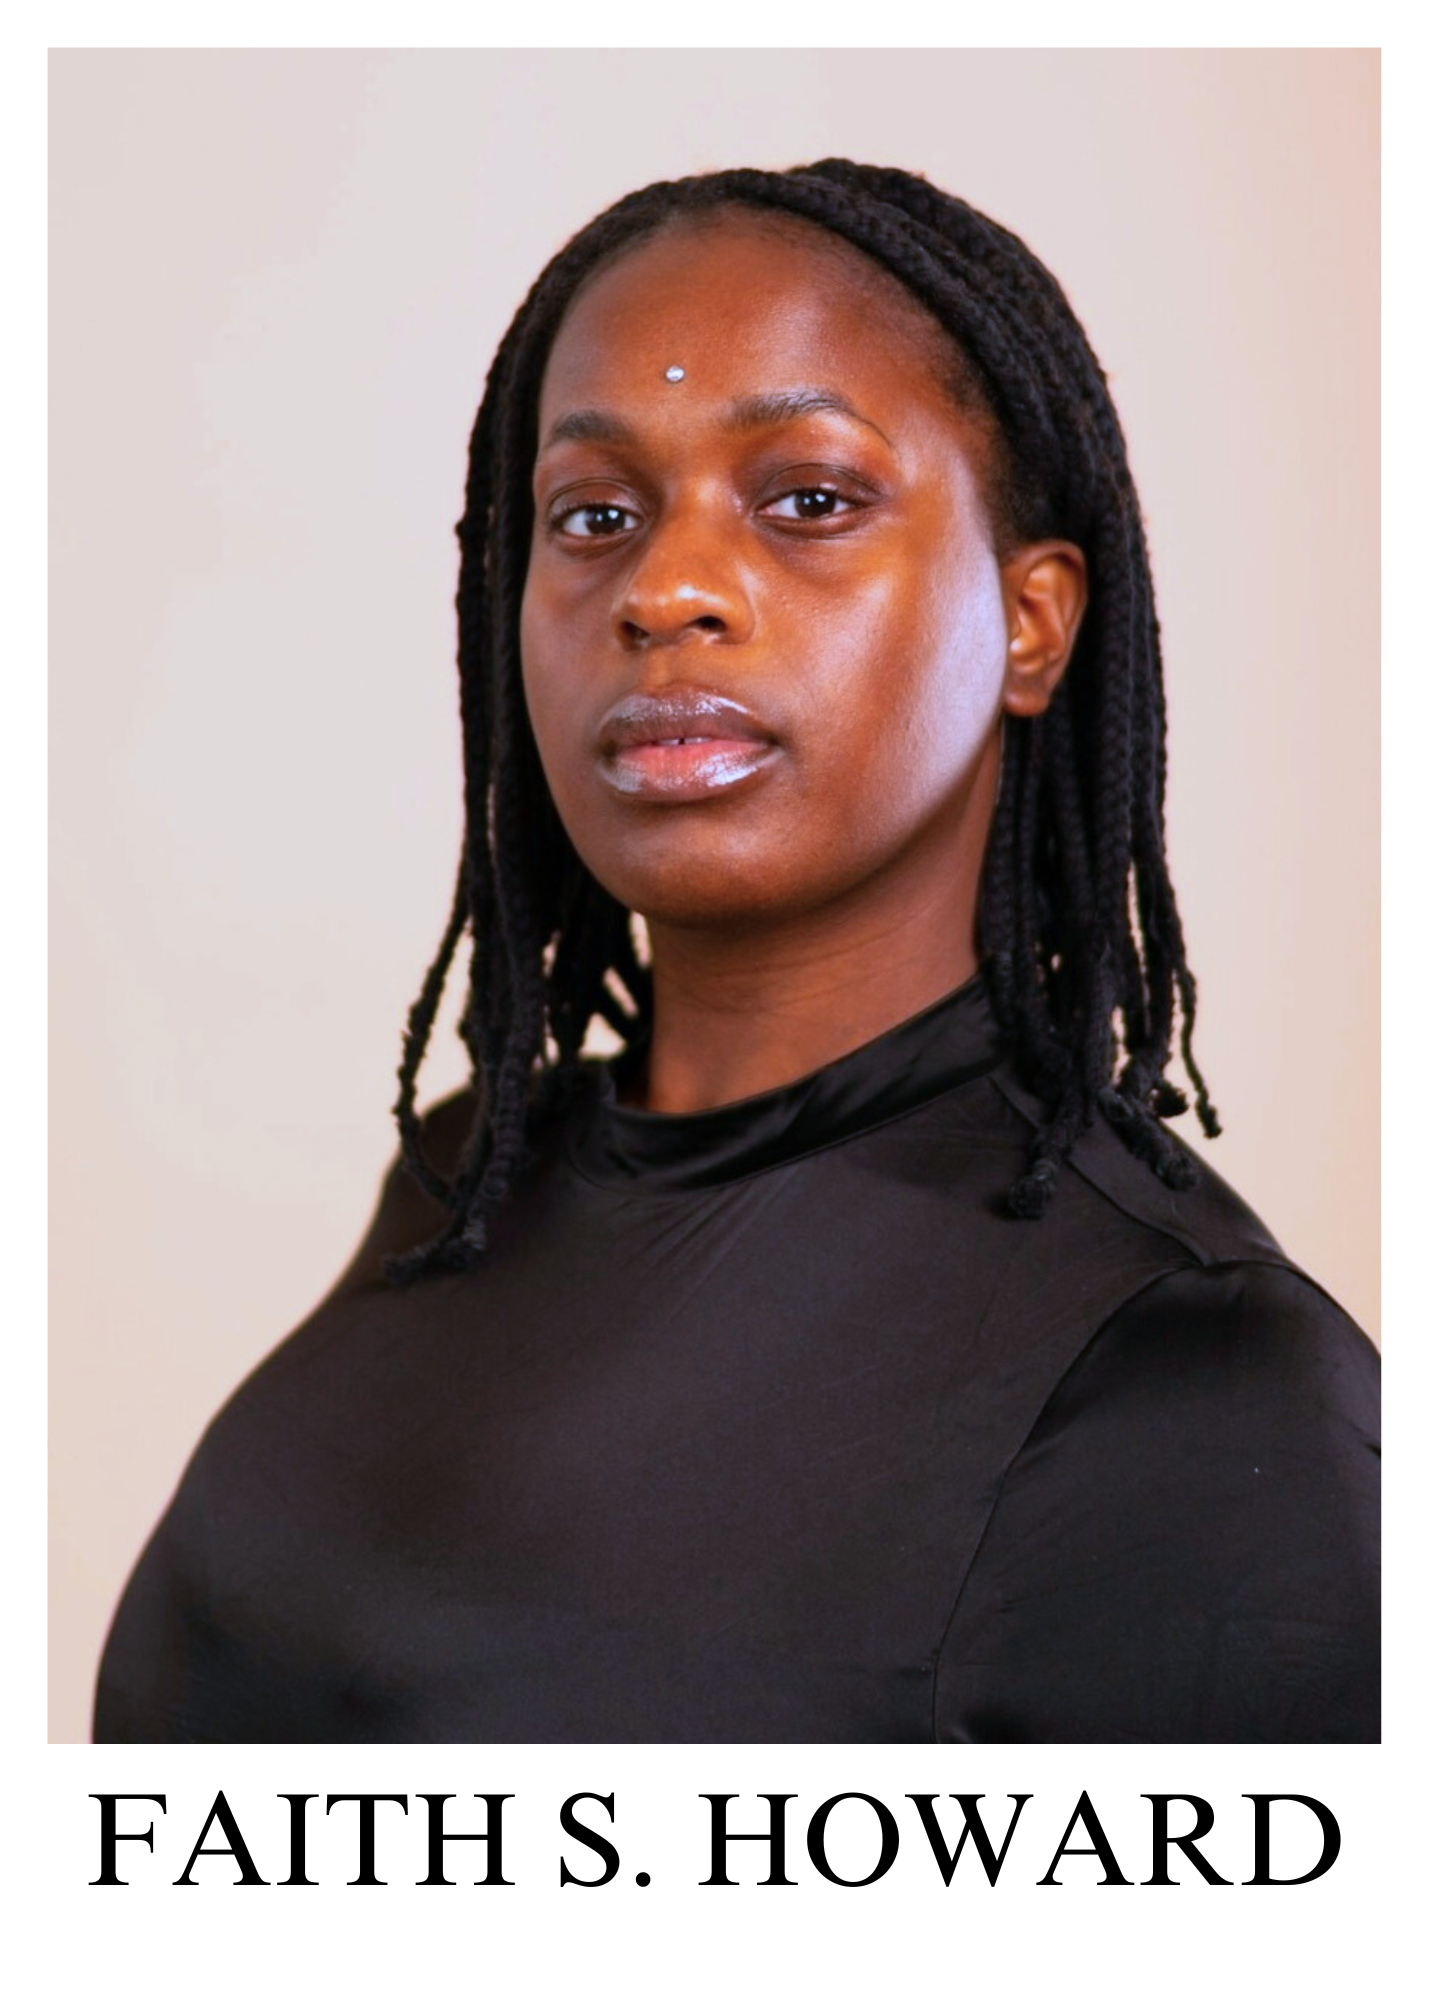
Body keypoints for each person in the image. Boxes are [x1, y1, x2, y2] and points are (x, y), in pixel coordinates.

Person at [93, 160, 1379, 1744]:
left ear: (1031, 623)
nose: (667, 588)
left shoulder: (1189, 1374)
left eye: (810, 500)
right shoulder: (466, 1186)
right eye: (597, 516)